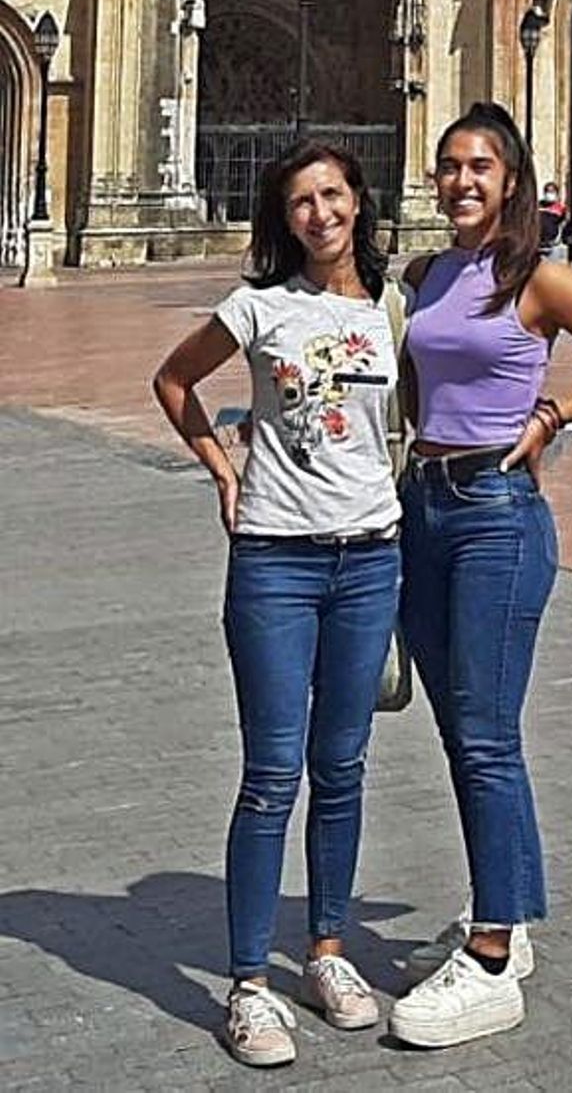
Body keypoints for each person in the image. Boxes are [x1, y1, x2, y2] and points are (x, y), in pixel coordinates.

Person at [388, 102, 572, 1049]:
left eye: (481, 167)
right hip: (423, 509)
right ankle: (504, 909)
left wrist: (550, 417)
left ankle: (494, 956)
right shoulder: (426, 276)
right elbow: (417, 391)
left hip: (497, 518)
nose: (463, 181)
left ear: (511, 182)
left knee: (485, 733)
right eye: (450, 167)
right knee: (465, 730)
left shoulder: (538, 278)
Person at [153, 140, 403, 1070]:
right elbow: (173, 381)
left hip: (370, 557)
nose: (320, 213)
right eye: (301, 200)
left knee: (343, 766)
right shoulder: (257, 306)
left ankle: (327, 953)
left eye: (333, 195)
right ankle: (249, 982)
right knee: (271, 776)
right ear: (283, 218)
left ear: (358, 203)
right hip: (274, 563)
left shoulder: (390, 309)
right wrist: (224, 472)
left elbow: (431, 403)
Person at [537, 180, 567, 262]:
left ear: (556, 194)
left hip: (553, 246)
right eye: (547, 191)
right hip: (538, 245)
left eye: (552, 192)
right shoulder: (538, 206)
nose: (549, 194)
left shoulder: (561, 208)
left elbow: (563, 224)